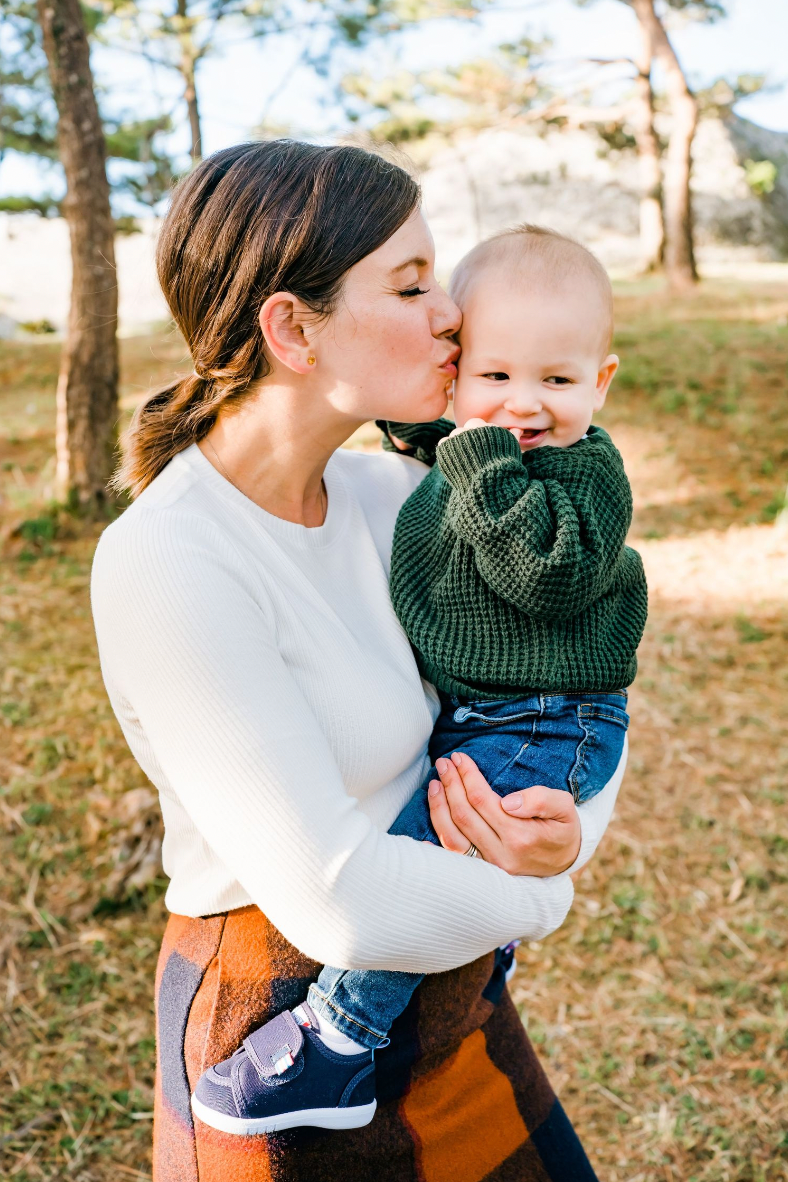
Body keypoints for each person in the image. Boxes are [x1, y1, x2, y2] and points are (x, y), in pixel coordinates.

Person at [92, 140, 624, 1182]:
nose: (451, 316)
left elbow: (562, 681)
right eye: (413, 283)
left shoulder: (397, 498)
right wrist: (545, 896)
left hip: (454, 1000)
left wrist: (565, 834)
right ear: (293, 329)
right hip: (280, 1038)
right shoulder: (170, 560)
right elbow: (336, 900)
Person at [191, 223, 648, 1138]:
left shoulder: (579, 473)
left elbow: (545, 573)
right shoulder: (458, 453)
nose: (524, 405)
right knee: (450, 829)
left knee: (436, 837)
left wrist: (473, 452)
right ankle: (473, 946)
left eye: (557, 381)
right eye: (496, 376)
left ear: (599, 383)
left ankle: (338, 1037)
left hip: (549, 717)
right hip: (491, 712)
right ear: (458, 374)